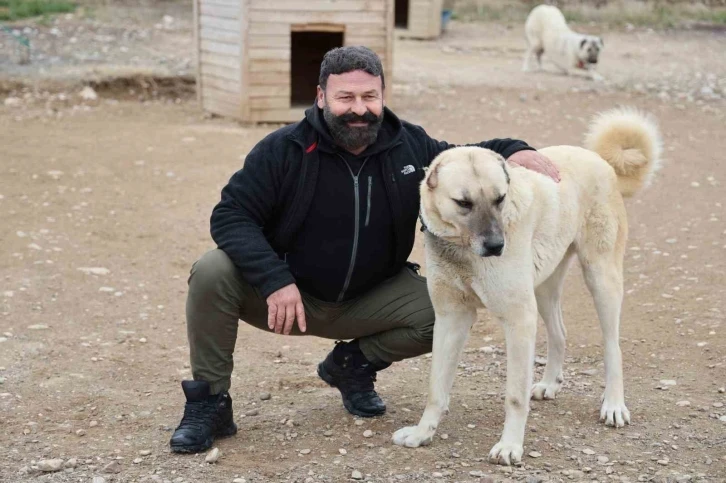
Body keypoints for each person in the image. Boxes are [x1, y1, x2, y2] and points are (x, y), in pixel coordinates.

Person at [169, 46, 560, 453]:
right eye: (346, 98)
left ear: (383, 95)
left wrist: (514, 147)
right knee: (212, 272)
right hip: (291, 297)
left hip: (372, 299)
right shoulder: (282, 149)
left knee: (442, 315)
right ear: (321, 97)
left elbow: (464, 157)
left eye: (370, 97)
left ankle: (352, 366)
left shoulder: (409, 145)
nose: (360, 109)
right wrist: (273, 279)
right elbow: (230, 214)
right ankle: (210, 404)